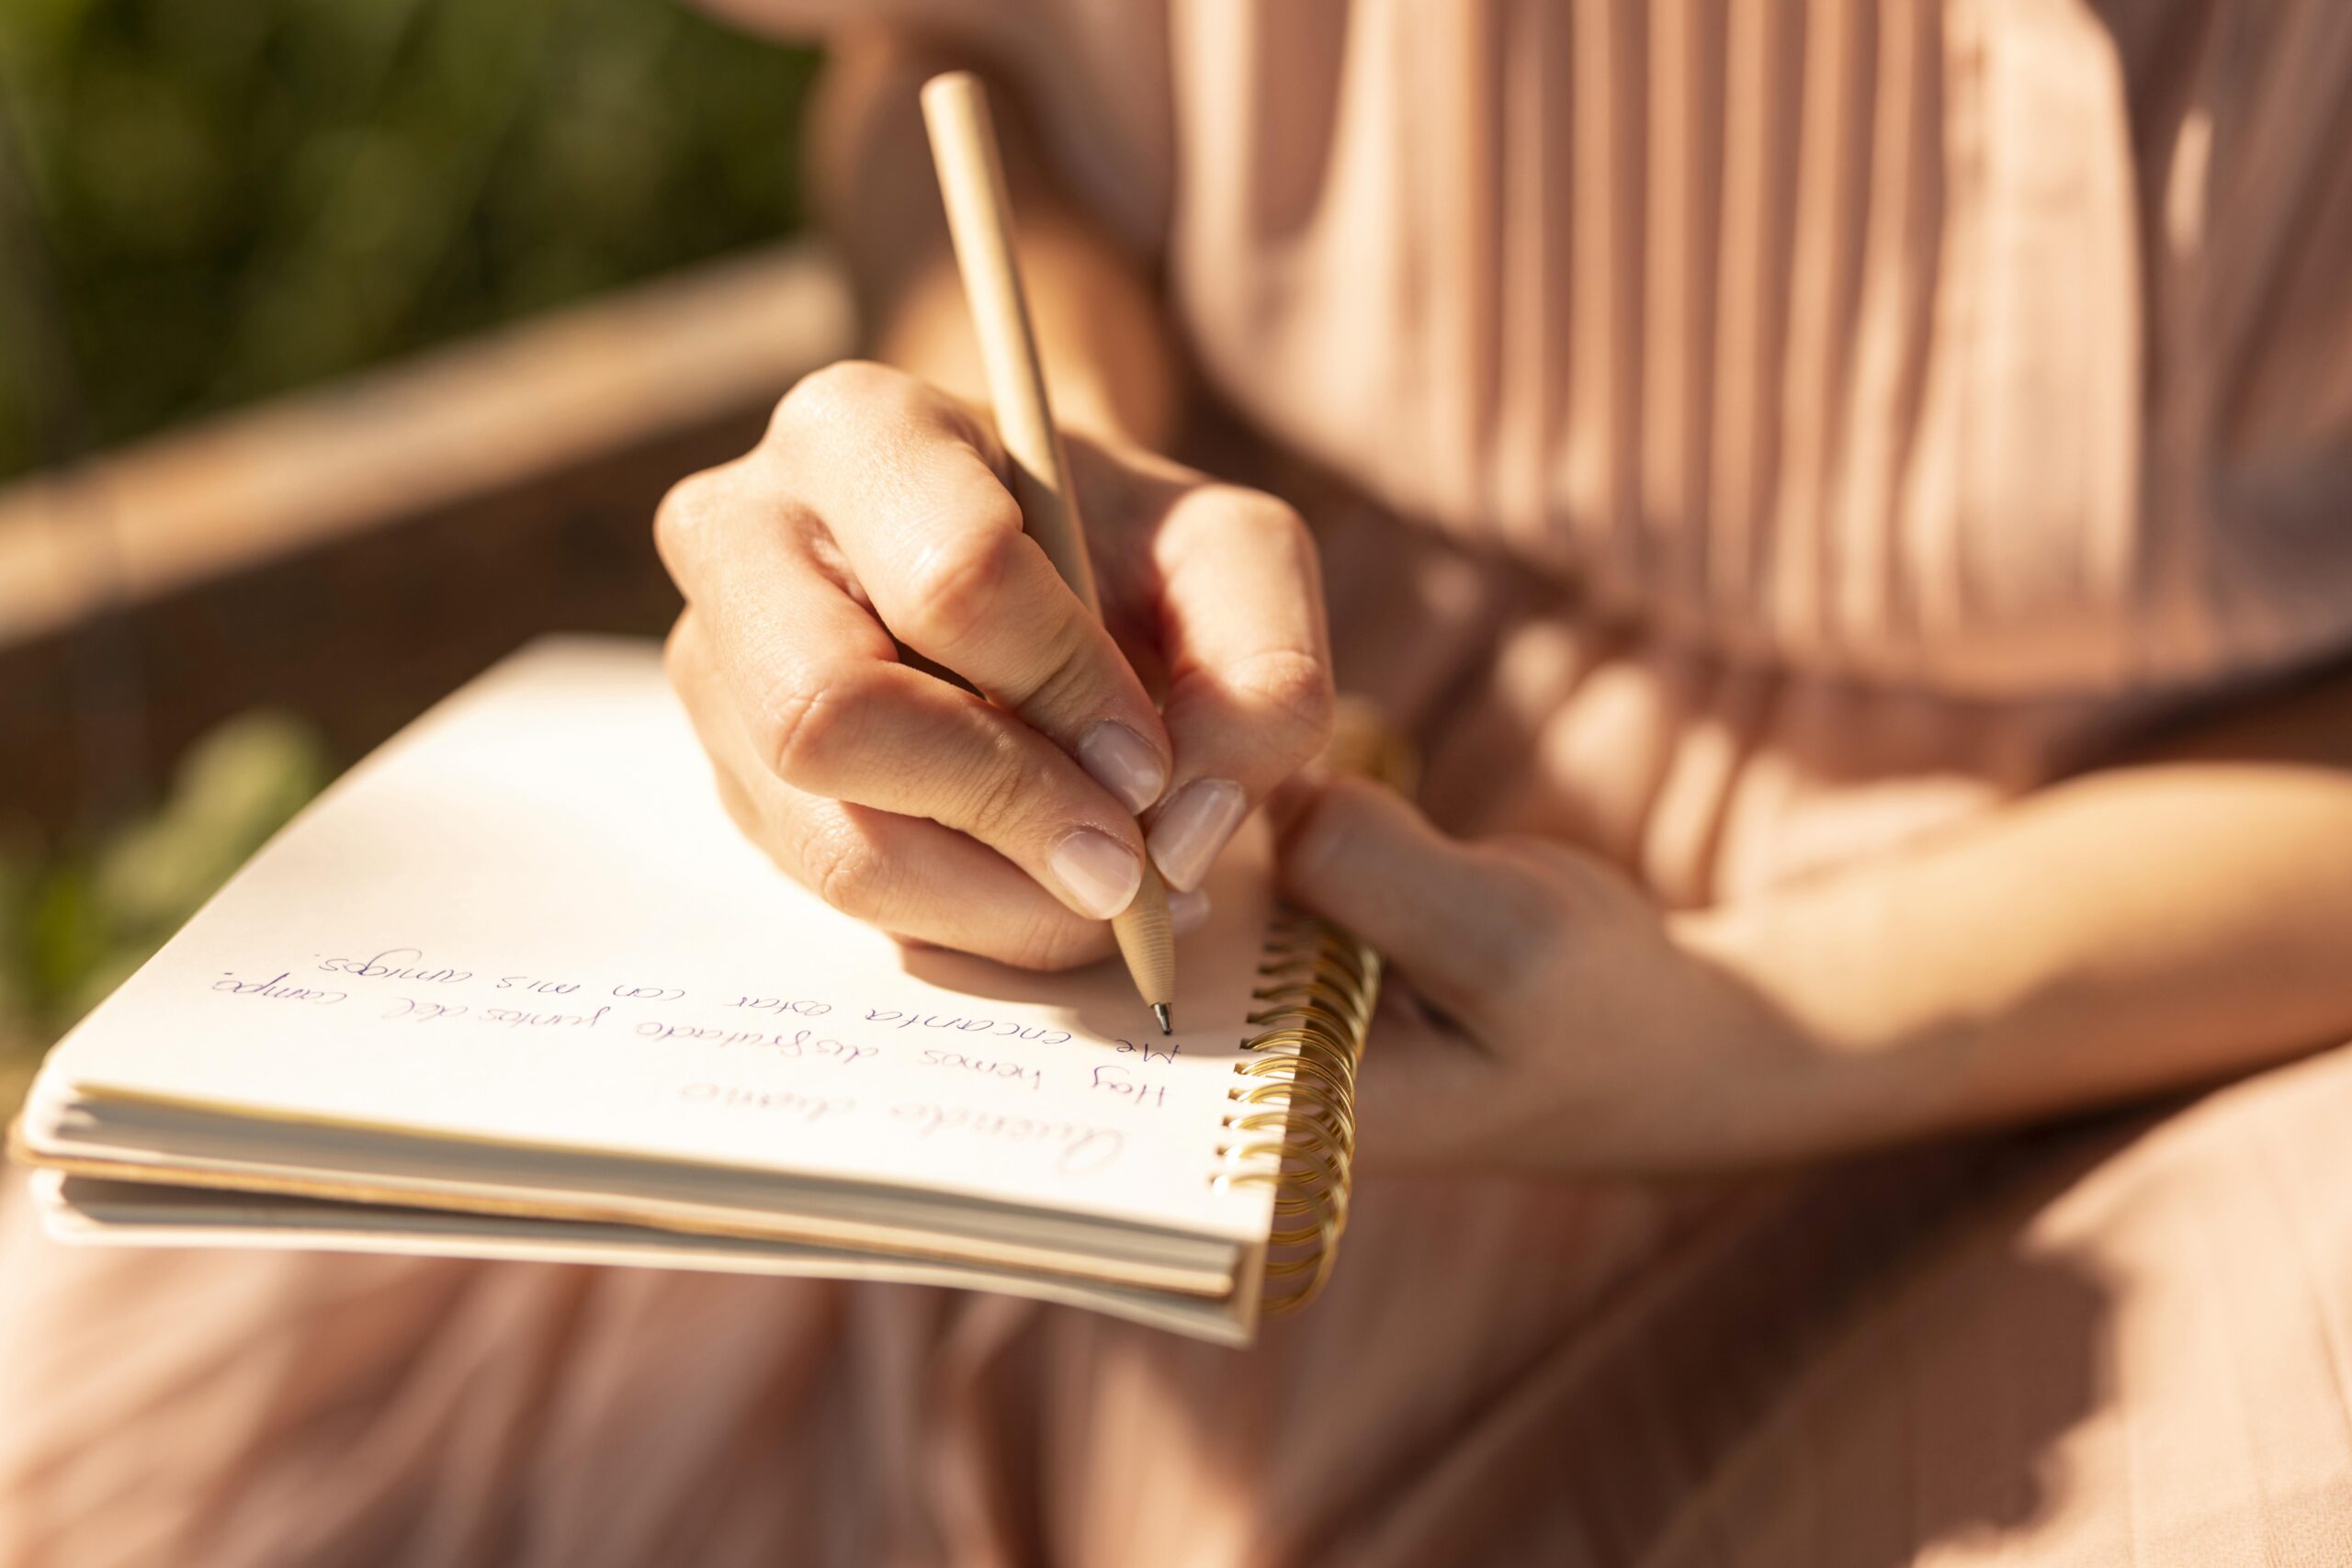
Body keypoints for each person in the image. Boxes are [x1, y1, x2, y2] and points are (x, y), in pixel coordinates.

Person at [7, 4, 2352, 1562]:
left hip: (2145, 983)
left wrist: (1767, 1024)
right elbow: (969, 87)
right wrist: (1010, 471)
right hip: (1246, 751)